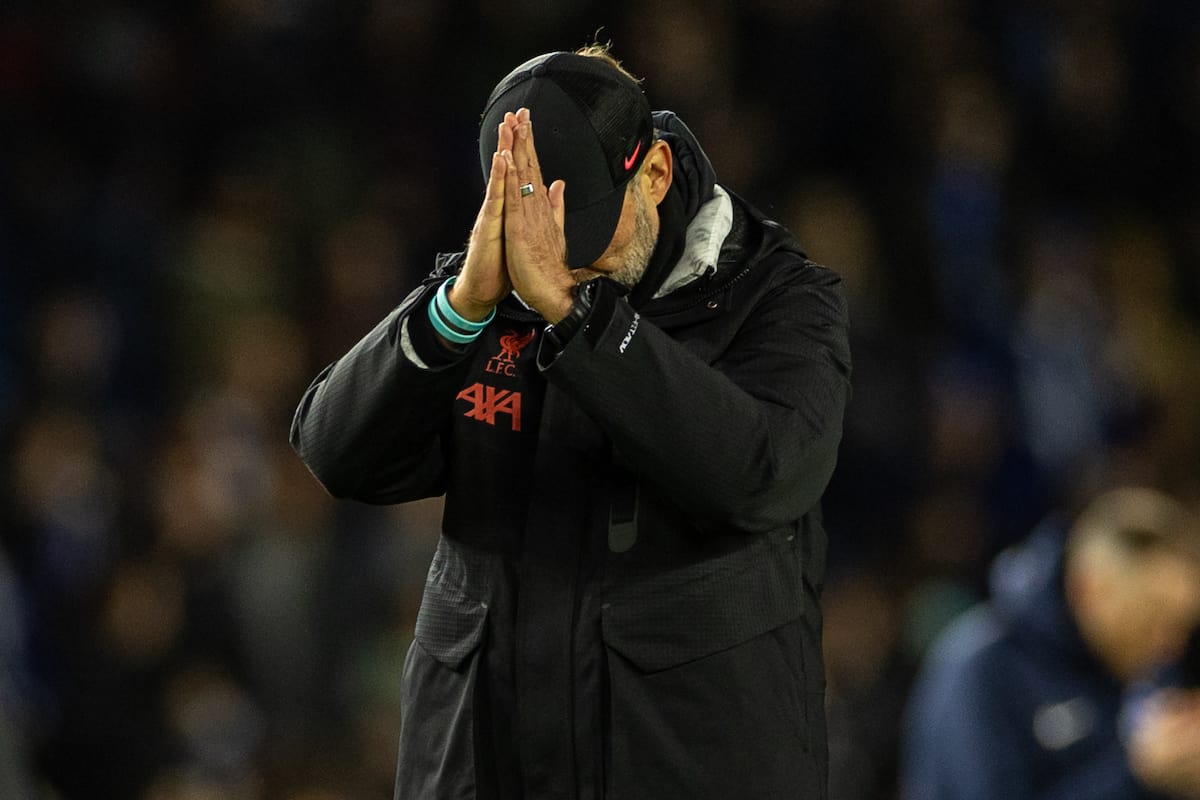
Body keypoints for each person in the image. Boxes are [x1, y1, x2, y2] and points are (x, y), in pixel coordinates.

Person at [290, 44, 850, 799]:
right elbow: (335, 452)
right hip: (486, 764)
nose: (556, 260)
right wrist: (454, 311)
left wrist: (577, 317)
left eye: (581, 232)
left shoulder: (777, 298)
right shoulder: (488, 290)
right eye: (536, 224)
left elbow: (762, 476)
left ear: (652, 173)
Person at [902, 486, 1200, 800]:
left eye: (1181, 625)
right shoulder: (981, 670)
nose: (1171, 643)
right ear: (1090, 589)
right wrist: (1137, 776)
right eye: (1152, 616)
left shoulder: (1144, 669)